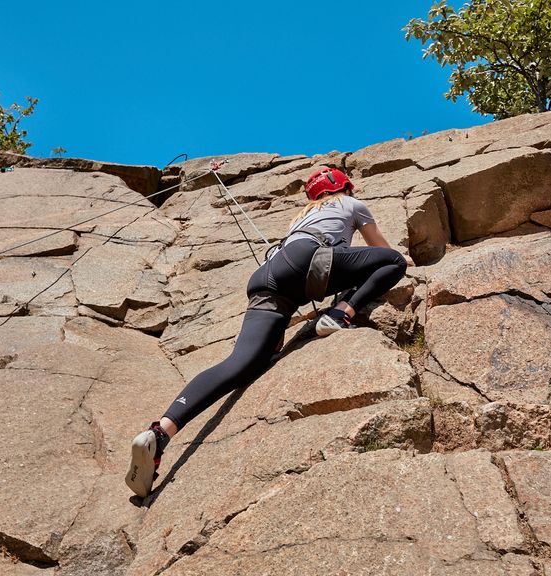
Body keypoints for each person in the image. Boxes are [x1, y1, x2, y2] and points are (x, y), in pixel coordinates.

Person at [126, 167, 411, 498]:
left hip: (268, 276)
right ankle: (340, 315)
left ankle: (160, 433)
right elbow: (380, 249)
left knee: (242, 363)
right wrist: (404, 259)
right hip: (309, 262)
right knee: (392, 261)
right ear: (344, 187)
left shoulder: (300, 218)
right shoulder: (351, 204)